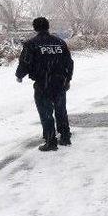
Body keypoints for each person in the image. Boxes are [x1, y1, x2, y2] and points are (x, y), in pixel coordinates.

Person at [15, 17, 73, 152]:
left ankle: (51, 141)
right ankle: (65, 137)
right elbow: (69, 63)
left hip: (43, 83)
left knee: (46, 112)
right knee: (61, 110)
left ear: (35, 28)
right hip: (59, 82)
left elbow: (25, 62)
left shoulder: (31, 44)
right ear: (48, 27)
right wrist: (68, 79)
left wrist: (19, 75)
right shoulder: (59, 43)